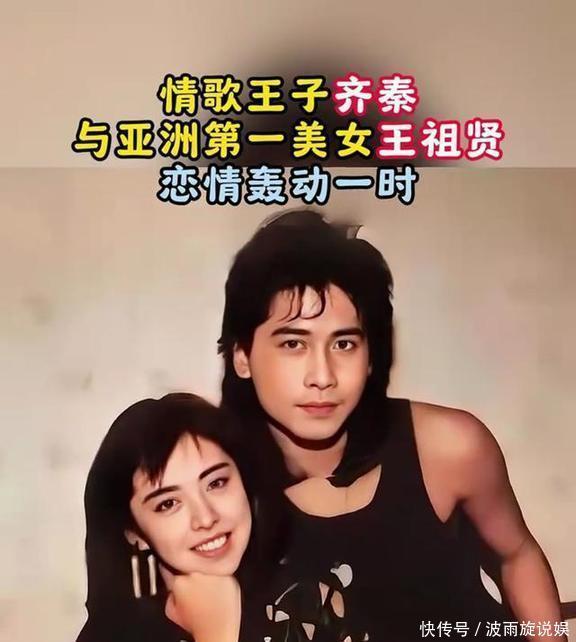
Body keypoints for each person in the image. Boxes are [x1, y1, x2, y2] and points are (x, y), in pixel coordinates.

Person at [218, 209, 567, 642]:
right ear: (242, 356)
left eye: (344, 344)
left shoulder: (448, 447)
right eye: (293, 343)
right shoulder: (215, 493)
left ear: (371, 357)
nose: (322, 376)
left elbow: (517, 554)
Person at [76, 392, 365, 642]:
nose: (206, 518)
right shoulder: (111, 634)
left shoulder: (311, 604)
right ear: (134, 533)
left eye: (216, 483)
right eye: (168, 504)